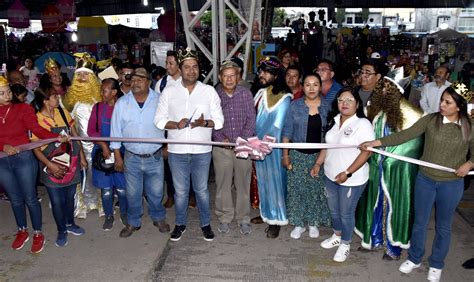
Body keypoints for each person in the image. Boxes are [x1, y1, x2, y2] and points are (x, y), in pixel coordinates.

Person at [360, 83, 474, 282]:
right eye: (442, 100)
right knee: (419, 223)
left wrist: (469, 163)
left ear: (459, 106)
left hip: (451, 184)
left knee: (443, 226)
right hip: (426, 180)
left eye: (448, 102)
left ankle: (437, 263)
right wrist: (375, 143)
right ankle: (414, 258)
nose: (442, 105)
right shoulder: (431, 120)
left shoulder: (469, 127)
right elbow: (405, 135)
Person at [154, 48, 224, 242]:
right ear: (181, 68)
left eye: (194, 67)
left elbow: (219, 121)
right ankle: (180, 224)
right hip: (177, 150)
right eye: (187, 67)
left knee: (201, 190)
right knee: (181, 191)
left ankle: (205, 224)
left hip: (202, 150)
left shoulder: (208, 91)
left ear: (198, 69)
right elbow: (159, 120)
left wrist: (205, 123)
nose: (191, 71)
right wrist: (175, 124)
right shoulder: (169, 91)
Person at [355, 77, 423, 260]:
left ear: (397, 91)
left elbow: (413, 144)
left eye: (388, 87)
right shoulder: (374, 110)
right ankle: (373, 238)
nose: (383, 90)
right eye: (381, 87)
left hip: (397, 170)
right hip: (375, 166)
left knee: (395, 204)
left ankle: (393, 247)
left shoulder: (413, 114)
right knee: (373, 203)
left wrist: (391, 161)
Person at [0, 76, 65, 253]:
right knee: (14, 198)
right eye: (1, 93)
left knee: (30, 197)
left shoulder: (23, 108)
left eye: (8, 91)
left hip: (24, 159)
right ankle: (22, 230)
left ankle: (37, 232)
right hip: (2, 162)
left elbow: (36, 130)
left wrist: (55, 136)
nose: (7, 95)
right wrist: (3, 146)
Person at [110, 67, 170, 238]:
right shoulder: (122, 103)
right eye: (133, 79)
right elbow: (115, 131)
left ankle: (158, 217)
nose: (135, 82)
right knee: (133, 192)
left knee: (156, 191)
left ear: (148, 82)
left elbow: (169, 125)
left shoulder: (160, 101)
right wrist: (117, 156)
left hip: (155, 156)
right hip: (132, 157)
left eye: (140, 79)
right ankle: (133, 222)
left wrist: (168, 147)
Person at [318, 87, 374, 262]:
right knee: (334, 211)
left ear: (357, 104)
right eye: (341, 100)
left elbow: (367, 152)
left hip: (352, 178)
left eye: (349, 100)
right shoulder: (334, 121)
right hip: (330, 174)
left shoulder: (363, 124)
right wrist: (318, 163)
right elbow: (327, 146)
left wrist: (347, 173)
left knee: (346, 213)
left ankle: (345, 243)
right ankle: (337, 235)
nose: (345, 103)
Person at [31, 87, 87, 247]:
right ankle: (61, 230)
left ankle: (70, 223)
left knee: (70, 197)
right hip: (50, 164)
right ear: (45, 100)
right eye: (55, 96)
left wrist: (82, 156)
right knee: (56, 201)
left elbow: (75, 136)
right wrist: (49, 165)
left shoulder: (63, 113)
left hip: (71, 162)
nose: (58, 99)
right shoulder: (36, 119)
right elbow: (35, 148)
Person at [282, 73, 331, 240]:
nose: (311, 88)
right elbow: (287, 132)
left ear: (320, 86)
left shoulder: (328, 107)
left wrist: (319, 161)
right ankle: (298, 223)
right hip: (297, 154)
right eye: (308, 84)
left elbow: (329, 137)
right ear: (302, 87)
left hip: (319, 155)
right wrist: (285, 155)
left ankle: (313, 222)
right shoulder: (294, 106)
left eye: (315, 84)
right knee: (296, 190)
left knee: (315, 190)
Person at [212, 60, 256, 235]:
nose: (229, 79)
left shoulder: (245, 94)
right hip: (221, 147)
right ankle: (224, 217)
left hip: (243, 146)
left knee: (243, 184)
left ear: (238, 77)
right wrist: (220, 137)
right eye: (225, 75)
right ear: (220, 77)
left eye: (233, 75)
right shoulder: (215, 95)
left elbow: (251, 119)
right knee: (222, 184)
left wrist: (242, 139)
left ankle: (243, 218)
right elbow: (212, 119)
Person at [253, 56, 292, 238]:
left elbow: (278, 125)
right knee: (262, 181)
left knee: (276, 182)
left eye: (266, 71)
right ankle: (266, 213)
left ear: (276, 75)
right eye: (261, 71)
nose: (261, 74)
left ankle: (277, 219)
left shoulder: (285, 97)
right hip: (258, 146)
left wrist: (265, 144)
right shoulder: (260, 93)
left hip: (274, 149)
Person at [63, 53, 103, 219]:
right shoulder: (70, 99)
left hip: (98, 145)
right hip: (78, 145)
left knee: (99, 173)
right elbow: (67, 123)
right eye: (79, 74)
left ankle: (100, 203)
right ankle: (82, 205)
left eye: (86, 74)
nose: (82, 77)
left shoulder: (99, 98)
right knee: (80, 174)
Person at [154, 50, 196, 209]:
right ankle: (171, 195)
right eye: (166, 63)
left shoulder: (190, 82)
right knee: (170, 164)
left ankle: (191, 195)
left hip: (188, 129)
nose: (167, 66)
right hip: (170, 129)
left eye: (171, 63)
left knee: (190, 162)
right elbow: (158, 111)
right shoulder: (162, 83)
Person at [87, 78, 128, 231]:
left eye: (104, 90)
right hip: (101, 155)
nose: (101, 93)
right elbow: (91, 131)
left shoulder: (124, 108)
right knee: (106, 190)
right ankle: (109, 215)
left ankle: (124, 213)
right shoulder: (97, 108)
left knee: (123, 189)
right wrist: (103, 145)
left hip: (121, 154)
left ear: (114, 92)